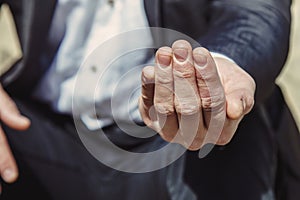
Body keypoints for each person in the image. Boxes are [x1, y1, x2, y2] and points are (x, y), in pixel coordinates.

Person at [0, 0, 299, 199]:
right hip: (43, 133)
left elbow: (255, 13)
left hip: (173, 137)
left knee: (227, 123)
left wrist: (218, 68)